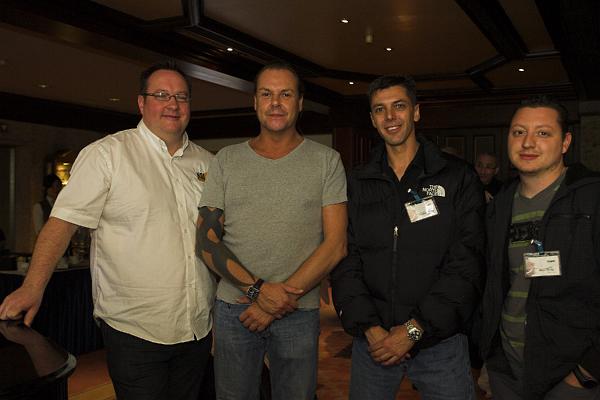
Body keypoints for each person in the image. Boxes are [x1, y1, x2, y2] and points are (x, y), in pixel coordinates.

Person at [0, 60, 216, 400]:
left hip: (197, 329)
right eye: (161, 95)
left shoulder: (207, 163)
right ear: (141, 103)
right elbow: (62, 223)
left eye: (181, 96)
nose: (173, 104)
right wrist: (32, 287)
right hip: (135, 330)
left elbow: (217, 239)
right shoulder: (107, 155)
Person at [196, 62, 347, 400]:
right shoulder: (226, 160)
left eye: (285, 94)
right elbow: (206, 241)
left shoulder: (327, 161)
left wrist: (276, 301)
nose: (275, 102)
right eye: (266, 94)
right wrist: (258, 292)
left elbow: (336, 244)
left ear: (300, 103)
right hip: (235, 311)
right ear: (255, 102)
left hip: (298, 310)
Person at [330, 75, 485, 400]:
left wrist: (415, 330)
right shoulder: (357, 181)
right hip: (373, 343)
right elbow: (345, 258)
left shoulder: (457, 177)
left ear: (415, 111)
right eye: (380, 109)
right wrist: (369, 328)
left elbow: (467, 263)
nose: (390, 117)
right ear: (372, 119)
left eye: (399, 106)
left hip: (440, 344)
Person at [479, 96, 600, 399]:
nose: (528, 143)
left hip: (572, 379)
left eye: (543, 133)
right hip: (507, 373)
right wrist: (489, 356)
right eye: (519, 132)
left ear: (565, 142)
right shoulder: (498, 207)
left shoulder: (592, 199)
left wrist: (587, 372)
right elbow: (491, 286)